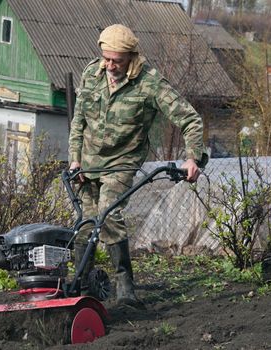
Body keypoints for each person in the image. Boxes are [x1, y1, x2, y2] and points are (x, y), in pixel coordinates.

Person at [68, 24, 208, 308]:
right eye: (106, 58)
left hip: (122, 163)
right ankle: (80, 287)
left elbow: (190, 119)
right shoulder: (91, 74)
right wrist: (75, 158)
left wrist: (192, 157)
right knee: (84, 225)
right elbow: (78, 121)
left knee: (108, 217)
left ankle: (125, 290)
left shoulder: (150, 83)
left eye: (116, 60)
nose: (109, 65)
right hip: (88, 163)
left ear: (131, 56)